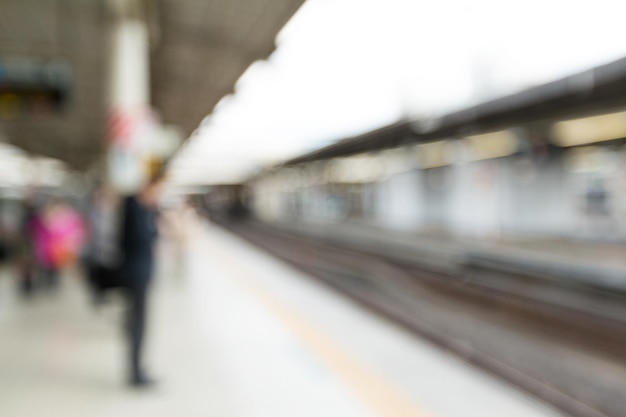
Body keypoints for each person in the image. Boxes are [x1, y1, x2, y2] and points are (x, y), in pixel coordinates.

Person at [118, 172, 165, 388]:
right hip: (135, 274)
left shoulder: (143, 209)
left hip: (142, 273)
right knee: (138, 323)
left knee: (139, 322)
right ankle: (135, 372)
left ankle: (138, 367)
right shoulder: (134, 208)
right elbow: (142, 237)